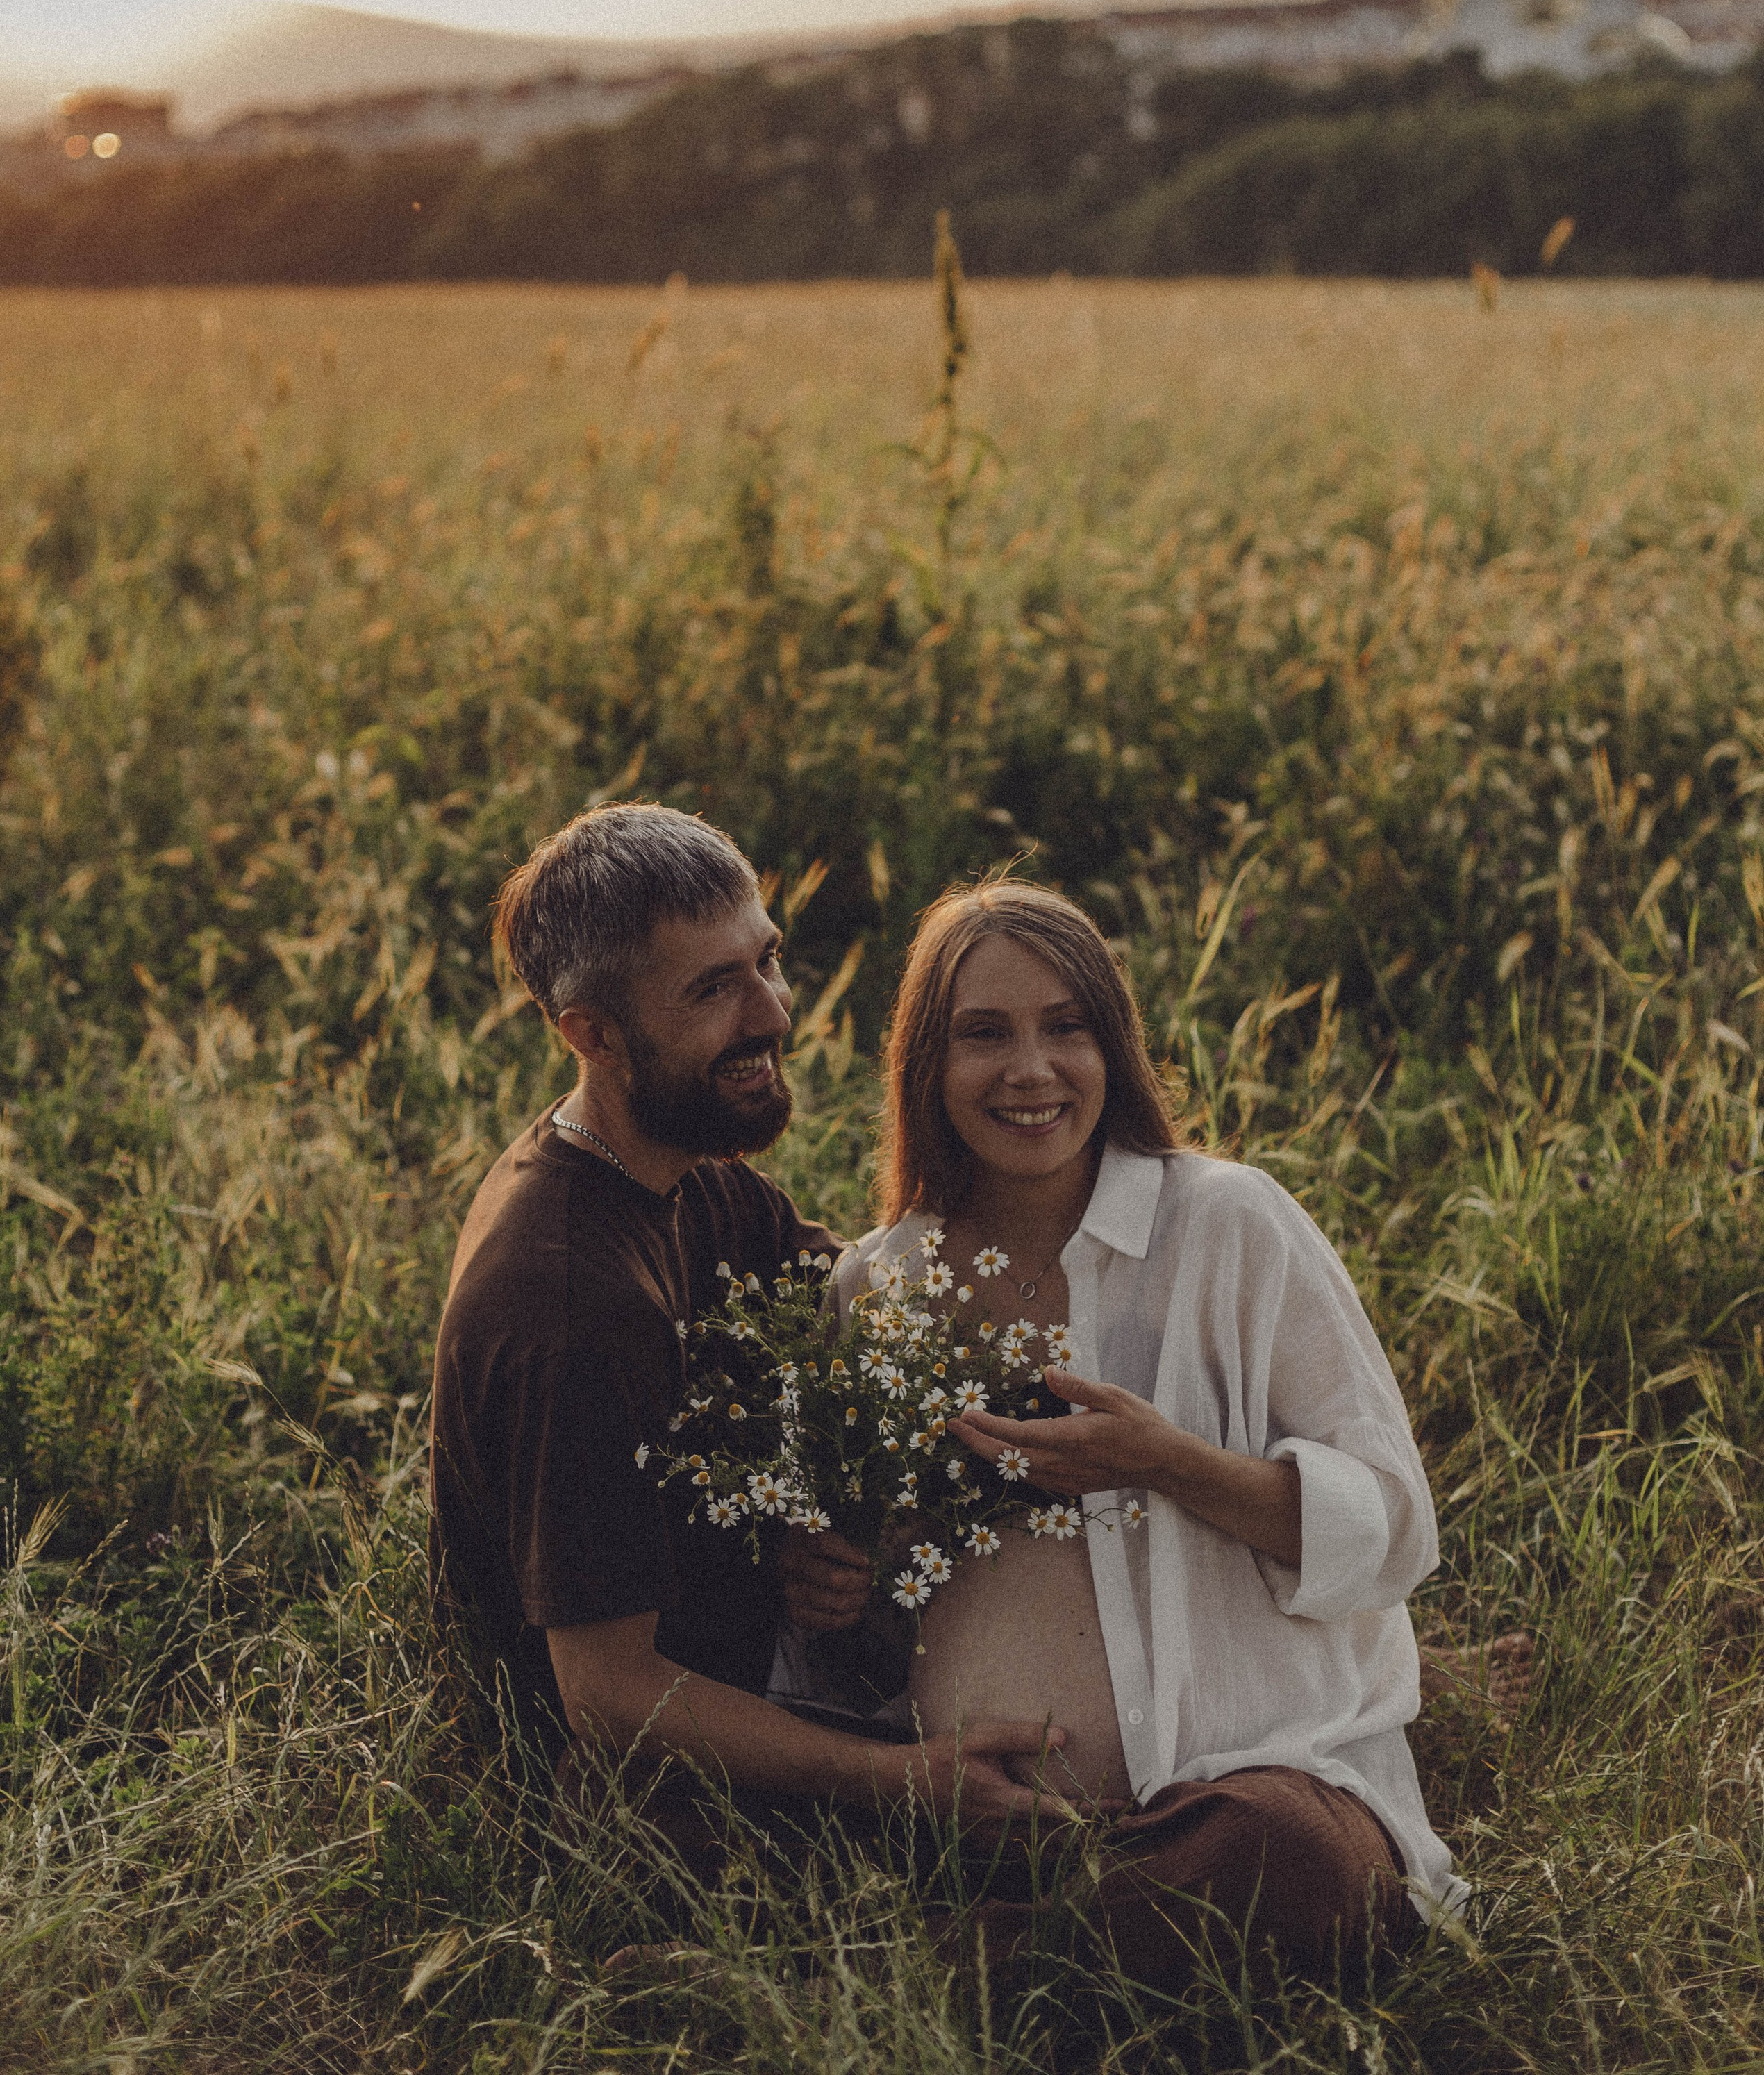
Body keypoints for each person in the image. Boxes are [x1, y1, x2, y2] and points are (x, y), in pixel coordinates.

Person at [785, 878, 1461, 1985]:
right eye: (983, 1035)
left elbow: (1396, 1530)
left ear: (1114, 1046)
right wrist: (828, 1584)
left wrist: (1171, 1466)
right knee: (703, 1797)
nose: (1031, 1069)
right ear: (925, 1065)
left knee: (1292, 1865)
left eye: (1067, 1027)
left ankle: (885, 1986)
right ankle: (1051, 1954)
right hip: (988, 1820)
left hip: (1243, 1784)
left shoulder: (1228, 1224)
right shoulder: (880, 1284)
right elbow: (875, 1610)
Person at [428, 803, 1067, 1840]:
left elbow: (852, 1319)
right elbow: (608, 1693)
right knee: (1069, 1826)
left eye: (765, 960)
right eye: (713, 990)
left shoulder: (681, 1172)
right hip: (651, 1780)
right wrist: (900, 1777)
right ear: (589, 1034)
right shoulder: (569, 1303)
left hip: (764, 1659)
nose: (772, 1014)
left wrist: (815, 1526)